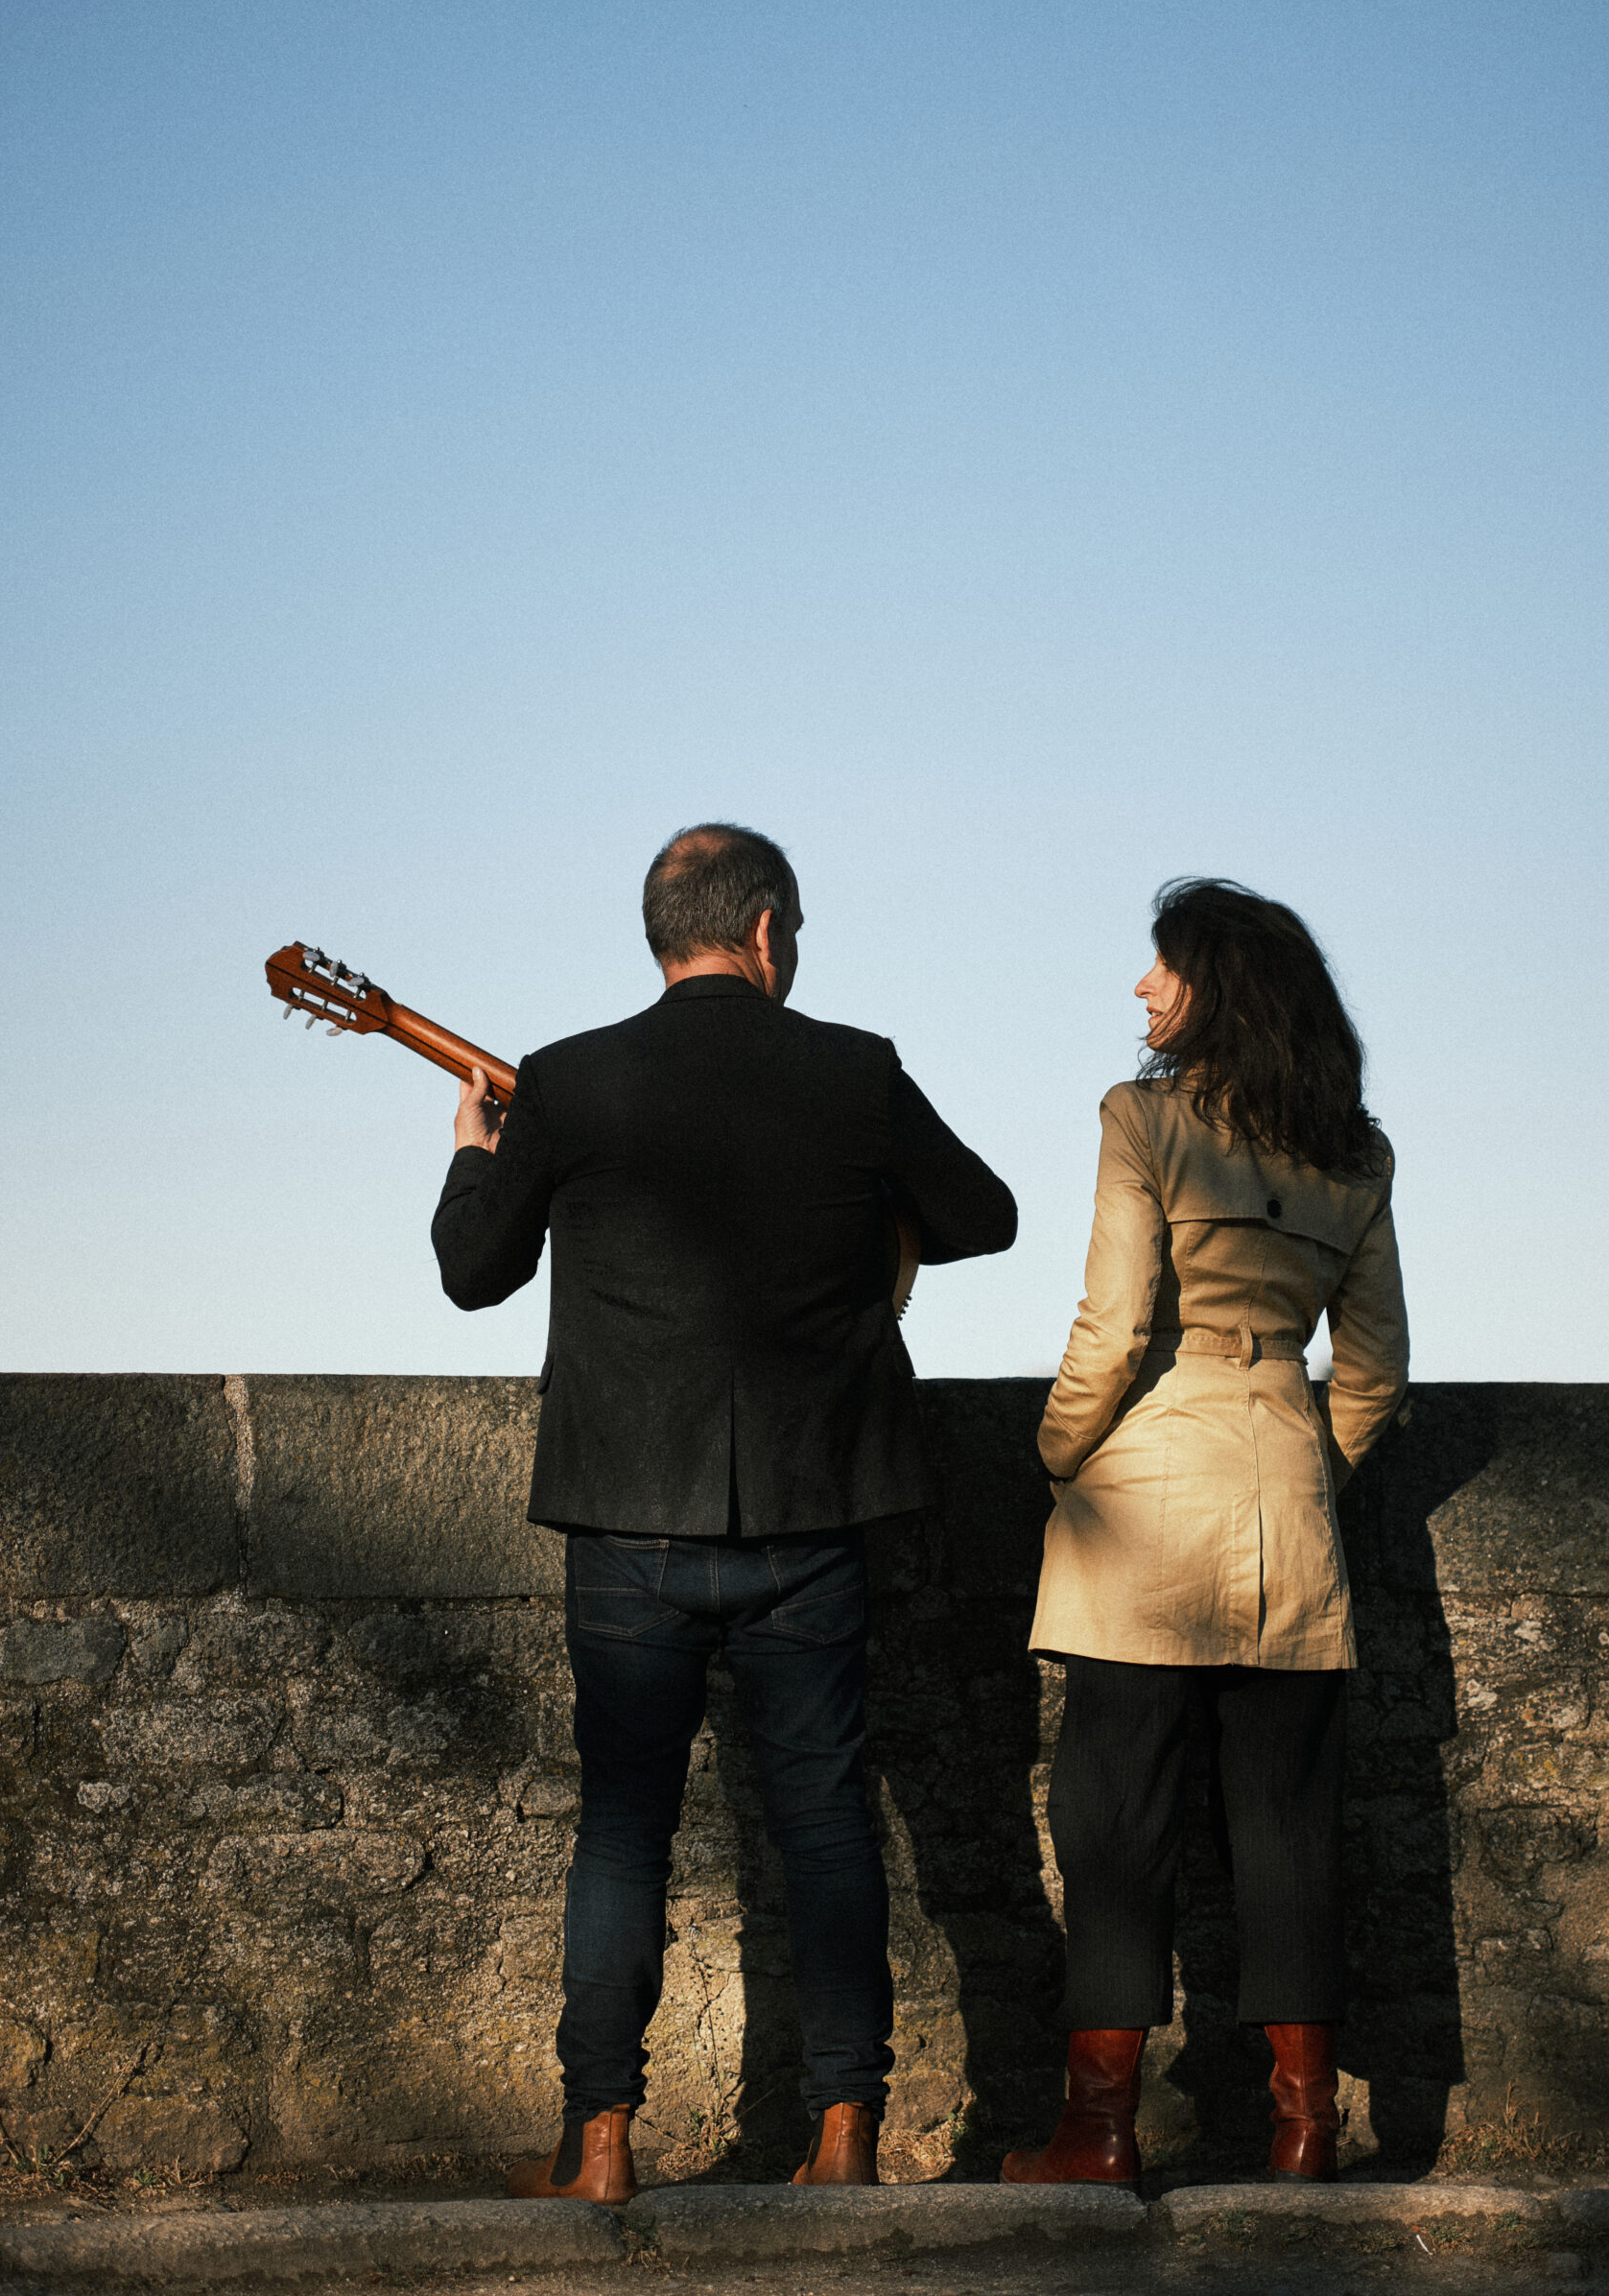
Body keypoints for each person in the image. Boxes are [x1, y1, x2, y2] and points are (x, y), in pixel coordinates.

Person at [434, 824, 1016, 2203]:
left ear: (663, 933)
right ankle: (843, 2138)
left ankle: (603, 2143)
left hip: (627, 1527)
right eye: (794, 932)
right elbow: (983, 1216)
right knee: (826, 1823)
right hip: (814, 1522)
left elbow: (473, 1272)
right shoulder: (855, 1072)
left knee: (623, 1833)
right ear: (764, 934)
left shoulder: (568, 1083)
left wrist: (480, 1150)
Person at [1006, 878, 1408, 2189]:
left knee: (1117, 1823)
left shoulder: (1143, 1120)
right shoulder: (1354, 1151)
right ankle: (1306, 2130)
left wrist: (1062, 1451)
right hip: (1285, 1499)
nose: (1142, 989)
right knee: (1290, 1830)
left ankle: (1100, 2131)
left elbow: (1114, 1324)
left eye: (1162, 968)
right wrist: (1305, 1468)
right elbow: (1379, 1372)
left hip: (1146, 1505)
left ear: (1214, 988)